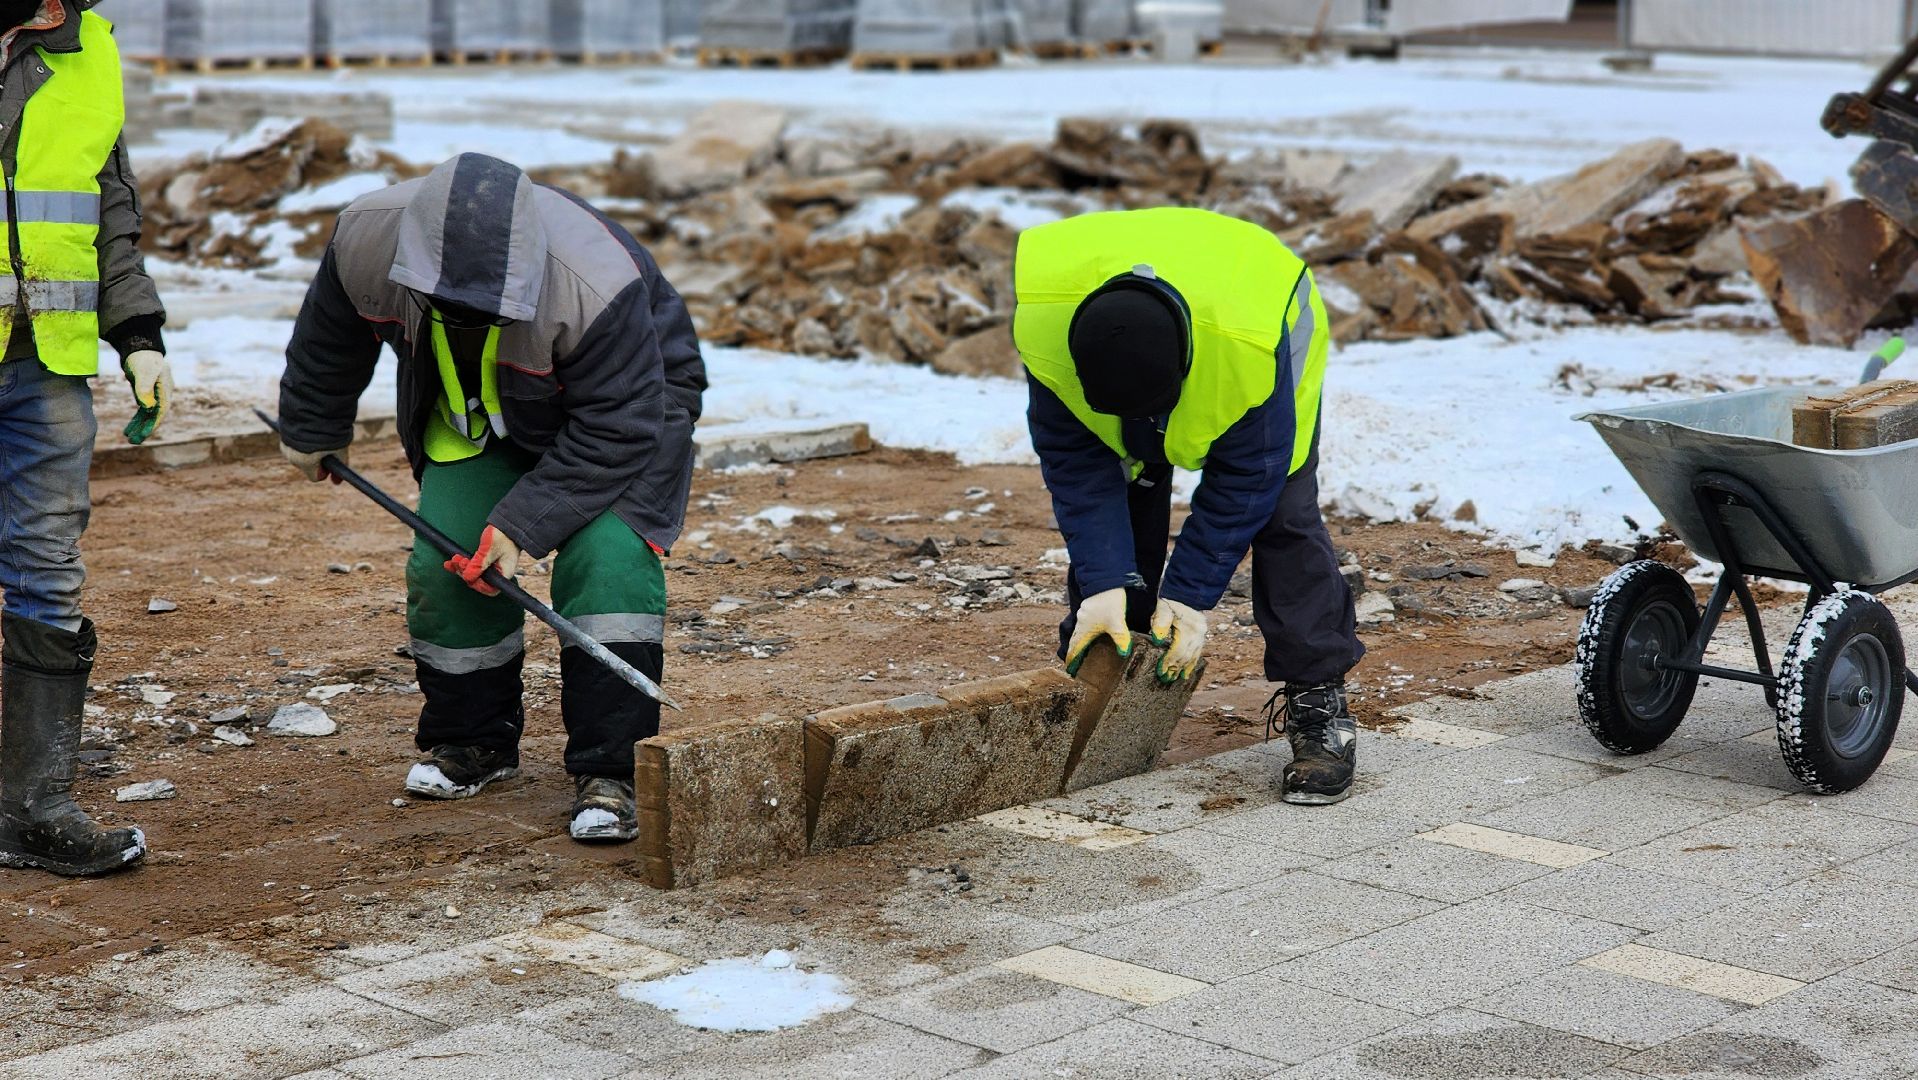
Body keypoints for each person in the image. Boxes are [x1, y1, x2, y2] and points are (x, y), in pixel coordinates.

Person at [276, 153, 705, 842]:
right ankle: (475, 741)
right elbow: (330, 338)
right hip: (479, 416)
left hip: (630, 416)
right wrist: (311, 426)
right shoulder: (365, 238)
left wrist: (522, 526)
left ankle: (611, 771)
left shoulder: (591, 284)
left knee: (609, 563)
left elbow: (618, 427)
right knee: (444, 562)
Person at [1013, 206, 1365, 805]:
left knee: (1283, 514)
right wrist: (1104, 584)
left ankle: (1318, 698)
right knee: (1129, 496)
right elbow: (1078, 465)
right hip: (1152, 337)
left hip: (1260, 331)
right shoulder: (1047, 331)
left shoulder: (1246, 353)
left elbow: (1247, 479)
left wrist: (1190, 596)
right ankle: (1106, 687)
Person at [0, 0, 172, 877]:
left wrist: (139, 334)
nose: (63, 7)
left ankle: (33, 808)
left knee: (46, 568)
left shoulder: (90, 46)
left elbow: (110, 205)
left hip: (47, 362)